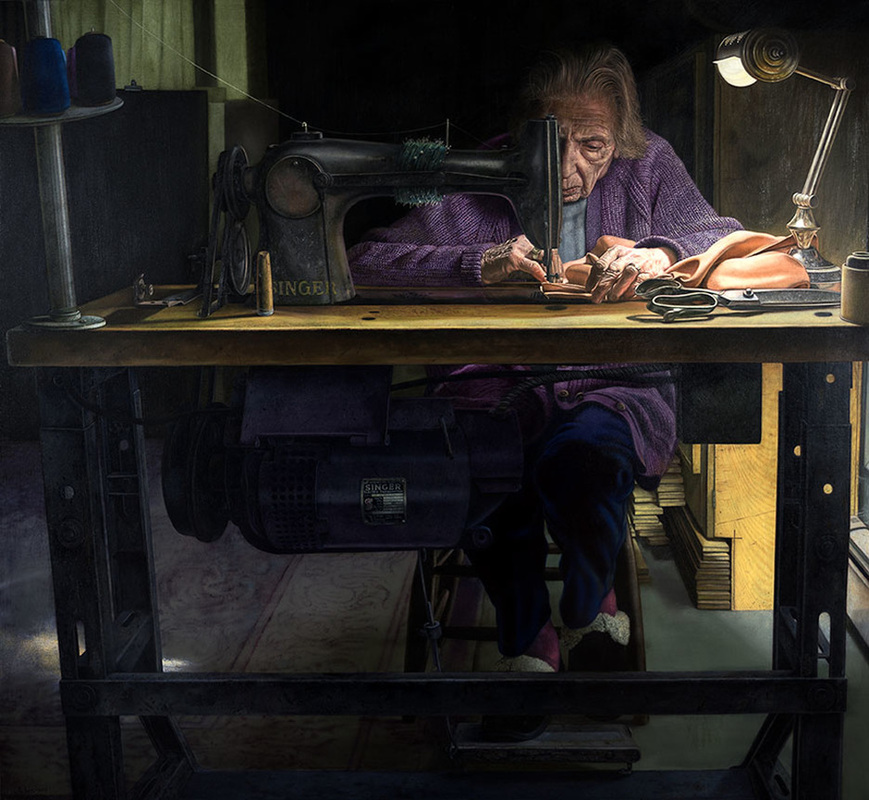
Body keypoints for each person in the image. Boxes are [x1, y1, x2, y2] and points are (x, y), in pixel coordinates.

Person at [348, 42, 742, 740]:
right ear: (522, 133)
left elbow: (719, 235)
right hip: (492, 383)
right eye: (552, 143)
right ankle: (530, 645)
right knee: (488, 473)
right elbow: (366, 259)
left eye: (591, 145)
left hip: (609, 381)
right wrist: (478, 262)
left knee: (585, 457)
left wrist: (659, 252)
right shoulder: (482, 178)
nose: (569, 168)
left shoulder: (647, 163)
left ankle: (590, 606)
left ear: (616, 137)